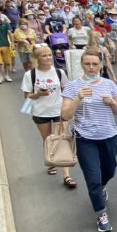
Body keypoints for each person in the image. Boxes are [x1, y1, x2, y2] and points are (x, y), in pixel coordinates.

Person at [60, 46, 117, 232]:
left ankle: (101, 188)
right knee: (93, 178)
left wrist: (112, 103)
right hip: (85, 138)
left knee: (109, 171)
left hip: (109, 135)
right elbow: (65, 115)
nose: (91, 68)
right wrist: (78, 98)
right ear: (81, 65)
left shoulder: (109, 85)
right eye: (87, 64)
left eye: (95, 64)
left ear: (101, 65)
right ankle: (101, 214)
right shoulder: (72, 86)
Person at [22, 46, 76, 189]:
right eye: (44, 56)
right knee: (48, 140)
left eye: (49, 55)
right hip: (41, 112)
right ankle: (51, 163)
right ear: (37, 58)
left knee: (62, 139)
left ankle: (67, 175)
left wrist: (68, 107)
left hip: (59, 111)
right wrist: (38, 94)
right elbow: (27, 96)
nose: (48, 58)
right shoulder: (30, 75)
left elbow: (67, 90)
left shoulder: (59, 72)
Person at [65, 16, 91, 80]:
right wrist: (71, 46)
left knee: (86, 61)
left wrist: (88, 45)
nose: (76, 22)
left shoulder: (86, 29)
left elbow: (92, 36)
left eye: (77, 21)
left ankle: (88, 75)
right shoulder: (71, 30)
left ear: (81, 22)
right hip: (75, 47)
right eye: (75, 21)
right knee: (77, 63)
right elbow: (69, 39)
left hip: (85, 46)